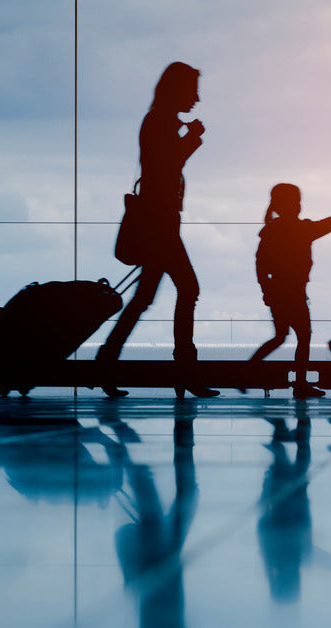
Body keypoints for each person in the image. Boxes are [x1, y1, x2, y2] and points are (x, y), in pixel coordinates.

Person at [97, 62, 217, 399]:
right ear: (177, 90)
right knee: (188, 289)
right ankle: (185, 373)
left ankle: (106, 362)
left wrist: (188, 137)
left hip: (158, 223)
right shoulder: (161, 123)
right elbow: (167, 167)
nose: (197, 98)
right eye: (192, 90)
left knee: (143, 299)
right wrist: (193, 137)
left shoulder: (159, 121)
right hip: (160, 225)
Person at [247, 183, 331, 398]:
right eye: (296, 202)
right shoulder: (301, 229)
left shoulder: (272, 230)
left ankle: (250, 369)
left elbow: (260, 264)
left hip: (278, 291)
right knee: (303, 336)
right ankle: (299, 384)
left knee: (281, 336)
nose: (298, 206)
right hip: (293, 292)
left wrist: (266, 290)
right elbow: (326, 225)